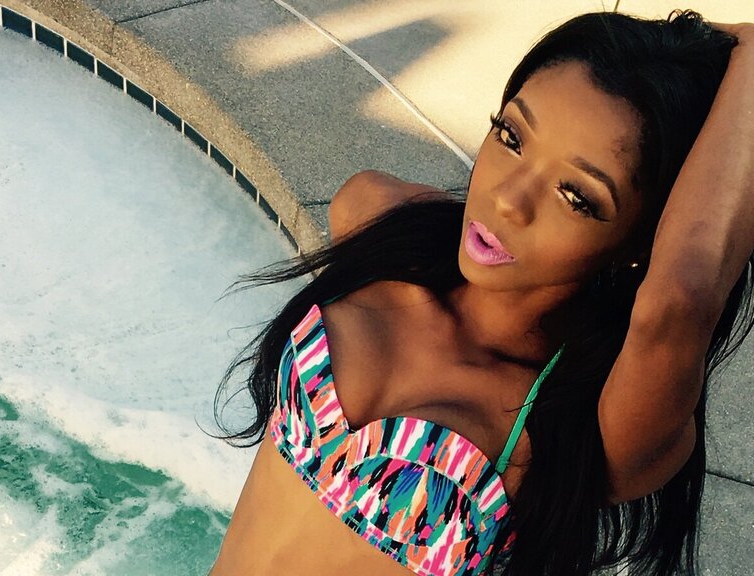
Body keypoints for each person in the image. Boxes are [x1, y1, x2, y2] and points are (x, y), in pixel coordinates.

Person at [203, 9, 754, 576]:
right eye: (511, 137)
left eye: (576, 196)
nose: (509, 200)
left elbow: (681, 298)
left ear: (641, 242)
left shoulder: (586, 430)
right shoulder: (380, 227)